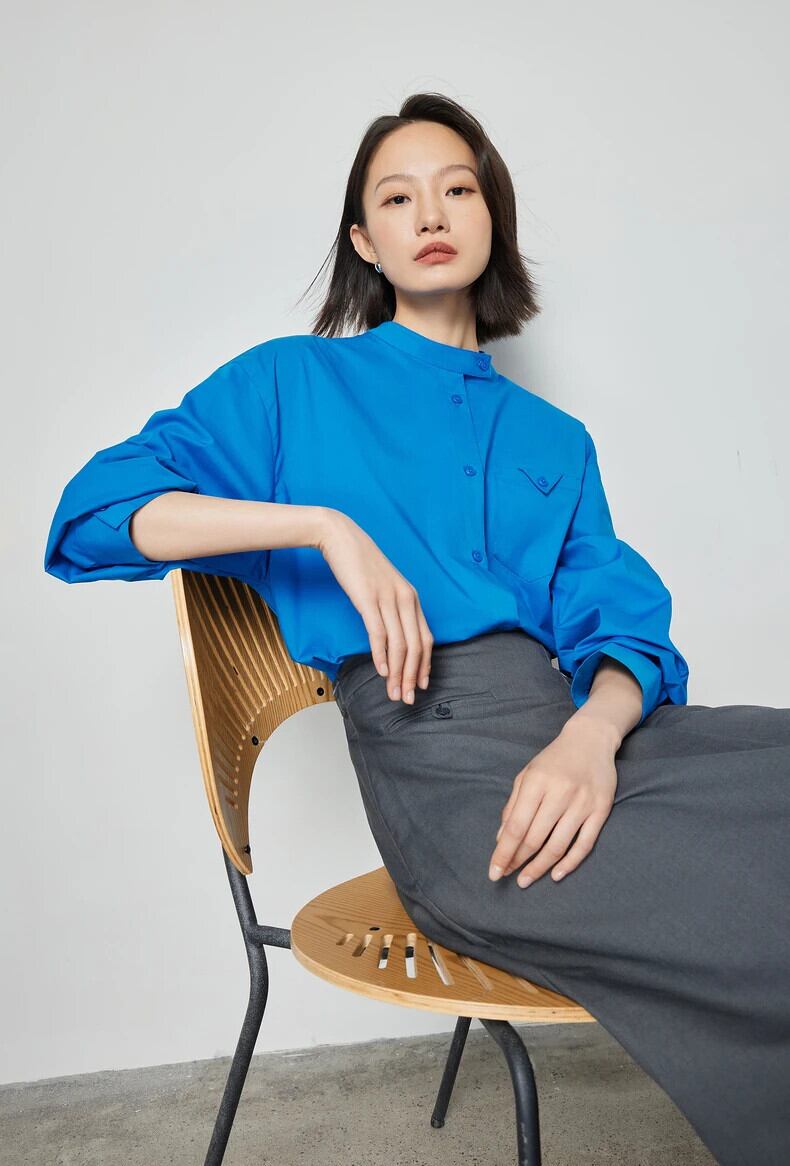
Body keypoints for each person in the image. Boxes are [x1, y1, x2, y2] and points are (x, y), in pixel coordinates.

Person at [44, 92, 789, 1165]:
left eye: (457, 189)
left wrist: (590, 737)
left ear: (492, 217)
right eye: (397, 198)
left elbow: (624, 624)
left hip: (579, 738)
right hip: (447, 773)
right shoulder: (295, 383)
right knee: (754, 901)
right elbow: (91, 514)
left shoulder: (554, 438)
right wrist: (321, 524)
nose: (430, 213)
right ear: (364, 240)